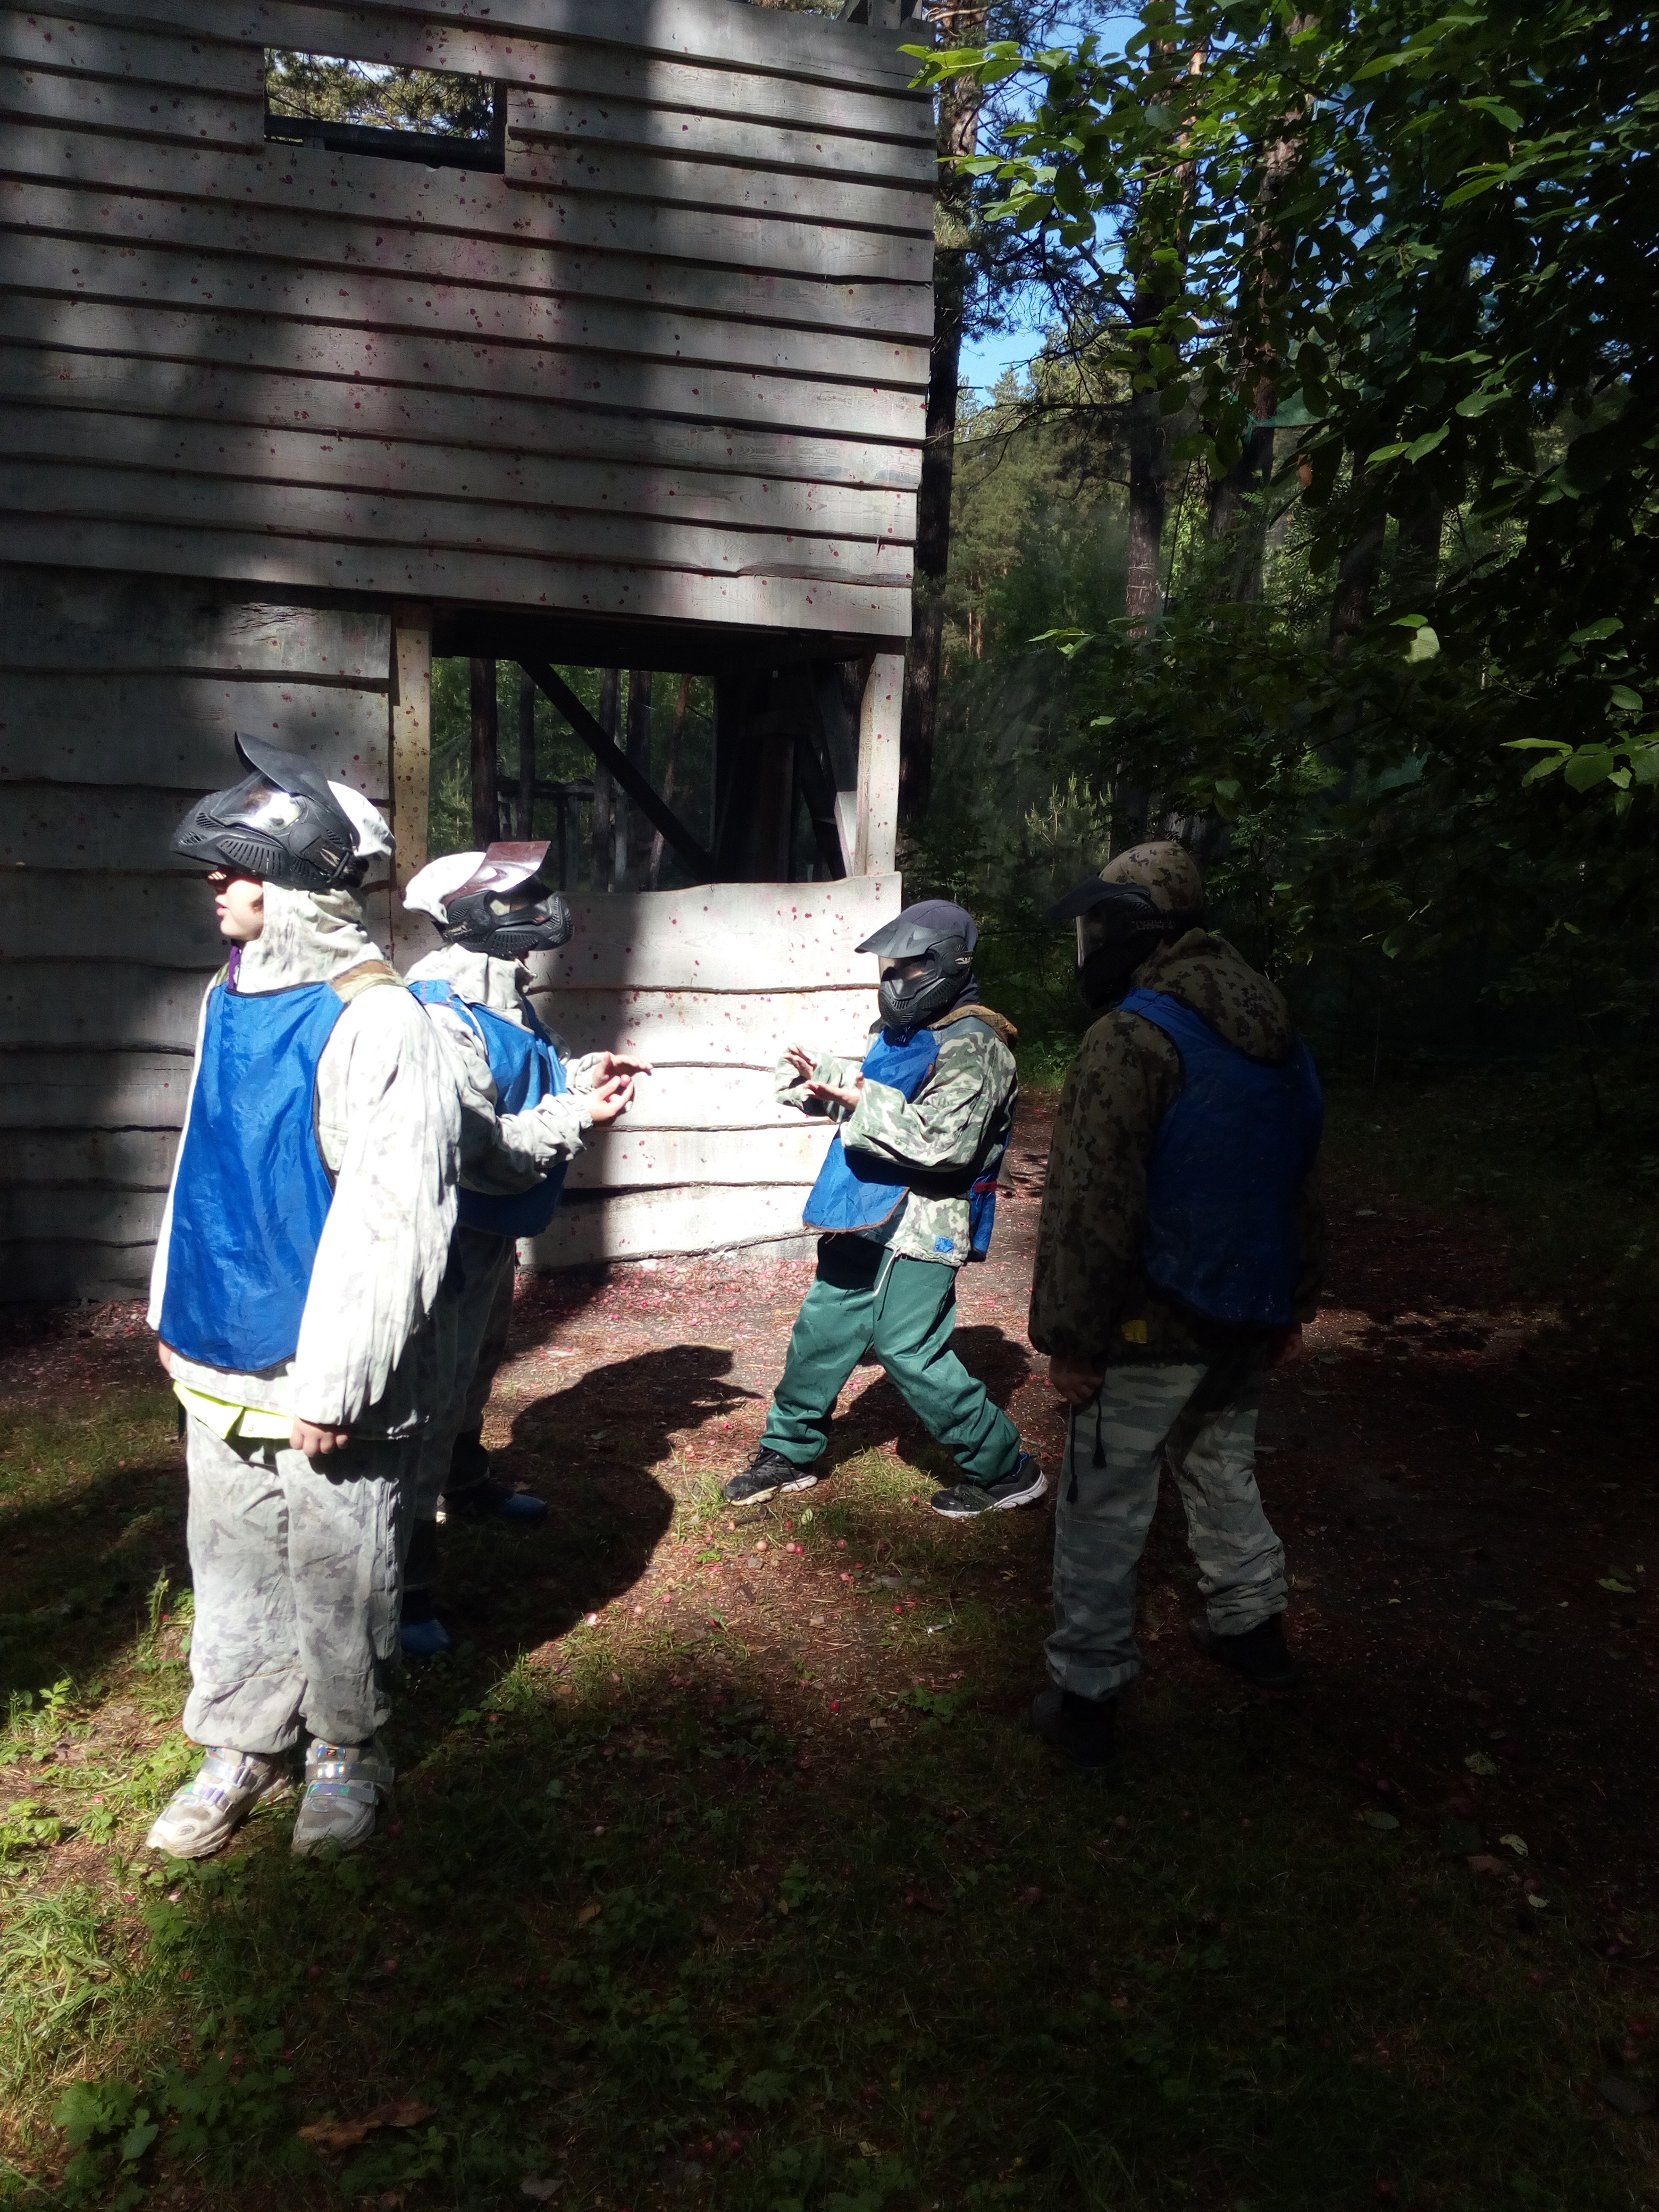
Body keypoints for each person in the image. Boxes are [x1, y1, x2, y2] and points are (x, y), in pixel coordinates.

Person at [145, 735, 460, 1856]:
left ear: (302, 885)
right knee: (229, 1557)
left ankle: (344, 1746)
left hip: (322, 1367)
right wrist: (170, 1315)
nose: (217, 885)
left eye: (239, 868)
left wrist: (337, 1380)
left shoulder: (380, 1022)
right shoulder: (223, 995)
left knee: (340, 1567)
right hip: (221, 1346)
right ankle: (240, 1737)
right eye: (217, 868)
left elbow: (393, 1226)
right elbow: (207, 1162)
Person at [1027, 840, 1325, 1770]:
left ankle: (1087, 1696)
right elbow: (1301, 1176)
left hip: (1151, 1317)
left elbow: (1090, 1202)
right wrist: (1292, 1302)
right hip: (1245, 1304)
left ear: (1138, 930)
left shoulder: (1132, 1036)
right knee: (1221, 1464)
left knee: (1105, 1499)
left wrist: (1071, 1338)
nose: (1095, 940)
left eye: (1105, 922)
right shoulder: (1275, 1026)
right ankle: (1251, 1629)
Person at [398, 844, 647, 1655]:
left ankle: (466, 1484)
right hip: (444, 1234)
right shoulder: (440, 1011)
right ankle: (404, 1591)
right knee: (426, 1407)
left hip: (489, 1230)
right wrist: (581, 1113)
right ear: (470, 917)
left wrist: (578, 1074)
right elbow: (479, 1150)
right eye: (521, 894)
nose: (544, 902)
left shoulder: (498, 992)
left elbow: (519, 1085)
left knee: (474, 1371)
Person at [725, 899, 1043, 1520]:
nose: (894, 981)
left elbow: (944, 1143)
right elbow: (878, 1093)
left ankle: (1007, 1469)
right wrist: (820, 1081)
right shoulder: (897, 1035)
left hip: (924, 1224)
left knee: (907, 1346)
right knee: (825, 1325)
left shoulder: (979, 1047)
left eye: (908, 968)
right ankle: (788, 1450)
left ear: (950, 964)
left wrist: (856, 1101)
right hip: (864, 1207)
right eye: (889, 969)